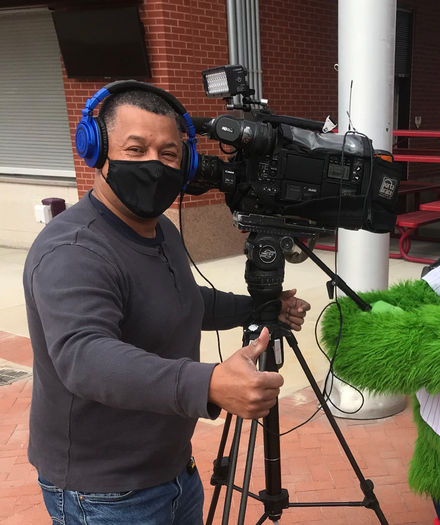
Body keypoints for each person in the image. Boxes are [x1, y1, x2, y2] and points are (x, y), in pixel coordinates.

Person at [23, 83, 311, 524]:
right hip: (104, 493)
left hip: (173, 469)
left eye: (169, 153)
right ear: (97, 151)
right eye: (135, 150)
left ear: (187, 163)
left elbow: (179, 301)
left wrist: (259, 309)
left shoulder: (160, 231)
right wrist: (208, 383)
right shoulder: (73, 250)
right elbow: (83, 355)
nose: (154, 164)